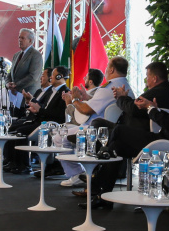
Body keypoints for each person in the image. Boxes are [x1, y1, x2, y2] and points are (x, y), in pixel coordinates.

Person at [80, 62, 169, 202]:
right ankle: (103, 195)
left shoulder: (158, 92)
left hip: (143, 136)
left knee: (114, 131)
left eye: (147, 76)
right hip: (136, 131)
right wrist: (125, 98)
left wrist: (120, 97)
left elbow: (132, 108)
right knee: (114, 144)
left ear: (154, 78)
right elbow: (135, 106)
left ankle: (96, 173)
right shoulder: (162, 90)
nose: (146, 80)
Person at [57, 57, 134, 187]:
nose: (105, 69)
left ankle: (76, 174)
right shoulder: (126, 86)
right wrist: (88, 98)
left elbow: (86, 110)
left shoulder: (108, 87)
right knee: (64, 134)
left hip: (96, 130)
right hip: (113, 130)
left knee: (59, 137)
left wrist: (75, 99)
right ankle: (82, 173)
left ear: (112, 69)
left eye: (107, 66)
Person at [4, 66, 69, 175]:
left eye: (53, 75)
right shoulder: (52, 91)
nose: (51, 78)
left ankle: (24, 165)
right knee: (16, 128)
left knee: (20, 131)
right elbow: (45, 109)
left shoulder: (65, 92)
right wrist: (35, 106)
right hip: (41, 121)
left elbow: (59, 115)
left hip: (51, 124)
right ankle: (14, 162)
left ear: (59, 76)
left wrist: (39, 110)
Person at [6, 29, 43, 95]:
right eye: (19, 37)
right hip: (15, 94)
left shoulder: (36, 55)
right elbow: (11, 73)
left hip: (28, 94)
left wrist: (16, 85)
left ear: (30, 40)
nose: (20, 40)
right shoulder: (16, 55)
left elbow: (33, 77)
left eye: (23, 38)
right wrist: (7, 83)